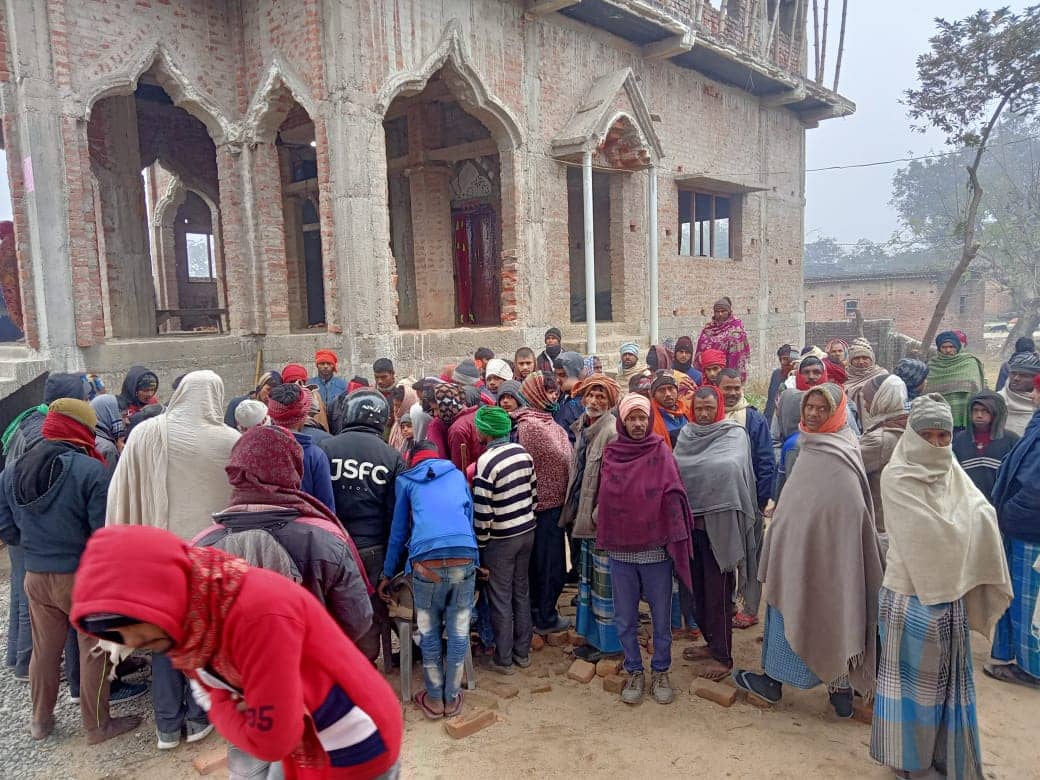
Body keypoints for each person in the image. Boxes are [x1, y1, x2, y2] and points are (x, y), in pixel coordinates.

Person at [73, 525, 402, 778]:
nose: (126, 643)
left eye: (128, 628)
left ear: (160, 597)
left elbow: (273, 739)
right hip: (311, 727)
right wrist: (242, 707)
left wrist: (228, 709)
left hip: (352, 739)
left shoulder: (256, 615)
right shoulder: (197, 615)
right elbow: (221, 697)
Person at [872, 394, 1012, 780]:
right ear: (912, 436)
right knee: (913, 693)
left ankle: (945, 759)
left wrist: (967, 525)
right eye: (927, 435)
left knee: (948, 689)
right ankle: (911, 766)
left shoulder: (951, 469)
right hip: (909, 598)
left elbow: (979, 510)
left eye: (943, 436)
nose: (935, 444)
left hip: (948, 599)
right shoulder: (897, 475)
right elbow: (933, 538)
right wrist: (968, 527)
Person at [732, 384, 884, 719]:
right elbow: (797, 502)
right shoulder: (808, 444)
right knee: (794, 609)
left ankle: (835, 687)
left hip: (832, 561)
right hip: (795, 556)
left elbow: (848, 512)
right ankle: (789, 684)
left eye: (821, 408)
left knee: (834, 612)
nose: (813, 414)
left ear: (837, 412)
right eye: (809, 407)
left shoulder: (840, 453)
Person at [107, 370, 239, 749]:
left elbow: (123, 490)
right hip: (207, 557)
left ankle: (167, 725)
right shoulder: (228, 440)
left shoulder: (147, 432)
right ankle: (198, 719)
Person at [0, 400, 141, 743]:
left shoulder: (12, 470)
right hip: (82, 578)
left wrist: (34, 547)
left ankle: (40, 722)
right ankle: (96, 726)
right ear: (80, 428)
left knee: (45, 651)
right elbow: (101, 535)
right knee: (94, 651)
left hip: (35, 575)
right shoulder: (90, 470)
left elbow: (6, 526)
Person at [596, 393, 693, 705]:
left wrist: (671, 509)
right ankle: (634, 669)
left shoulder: (660, 451)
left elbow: (674, 489)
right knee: (624, 618)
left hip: (655, 551)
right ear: (622, 421)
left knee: (661, 616)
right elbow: (607, 499)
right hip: (621, 552)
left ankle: (661, 669)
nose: (637, 424)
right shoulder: (613, 452)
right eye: (631, 418)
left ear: (650, 420)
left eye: (642, 418)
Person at [379, 441, 480, 719]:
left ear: (412, 460)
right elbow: (467, 520)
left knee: (428, 629)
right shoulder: (458, 475)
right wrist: (478, 563)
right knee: (459, 628)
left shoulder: (406, 482)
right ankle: (453, 696)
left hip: (427, 563)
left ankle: (435, 700)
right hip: (464, 556)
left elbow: (398, 533)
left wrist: (387, 574)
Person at [674, 386, 757, 680]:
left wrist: (701, 472)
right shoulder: (686, 434)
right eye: (699, 409)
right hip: (689, 527)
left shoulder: (733, 434)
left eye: (710, 408)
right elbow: (677, 469)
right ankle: (711, 643)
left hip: (719, 529)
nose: (705, 414)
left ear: (719, 407)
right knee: (694, 591)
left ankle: (724, 657)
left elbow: (730, 468)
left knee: (719, 594)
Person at [319, 390, 404, 664]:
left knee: (338, 609)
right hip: (374, 549)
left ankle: (346, 666)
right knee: (373, 611)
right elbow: (396, 515)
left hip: (333, 546)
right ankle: (371, 665)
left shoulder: (326, 449)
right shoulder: (392, 457)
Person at [560, 374, 622, 661]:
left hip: (601, 524)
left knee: (603, 585)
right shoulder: (584, 428)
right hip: (583, 520)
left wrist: (597, 517)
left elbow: (613, 485)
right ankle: (593, 638)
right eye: (591, 396)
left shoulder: (611, 431)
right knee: (589, 581)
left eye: (601, 397)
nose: (594, 401)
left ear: (610, 403)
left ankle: (608, 645)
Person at [471, 407, 537, 675]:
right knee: (521, 592)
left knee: (500, 598)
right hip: (527, 532)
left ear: (486, 432)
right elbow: (534, 493)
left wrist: (481, 544)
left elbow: (483, 512)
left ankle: (504, 657)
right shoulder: (523, 453)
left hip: (501, 539)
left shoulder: (486, 462)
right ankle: (523, 652)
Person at [985, 373, 1040, 689]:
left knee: (1027, 605)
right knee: (1014, 597)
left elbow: (1034, 487)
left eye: (1036, 389)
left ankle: (1031, 667)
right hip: (1021, 524)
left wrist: (1009, 512)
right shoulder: (1036, 423)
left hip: (1029, 529)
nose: (1032, 395)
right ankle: (1010, 657)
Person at [513, 372, 573, 636]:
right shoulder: (530, 426)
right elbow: (559, 457)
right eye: (548, 391)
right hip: (542, 507)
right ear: (536, 393)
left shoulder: (544, 420)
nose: (554, 396)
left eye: (555, 391)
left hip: (553, 504)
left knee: (548, 564)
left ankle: (540, 613)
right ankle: (544, 617)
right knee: (549, 567)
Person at [718, 369, 774, 628]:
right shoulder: (711, 416)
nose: (731, 393)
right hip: (721, 502)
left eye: (736, 388)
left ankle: (750, 609)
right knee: (726, 553)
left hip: (750, 500)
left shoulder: (753, 419)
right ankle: (727, 603)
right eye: (726, 388)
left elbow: (765, 462)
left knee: (751, 556)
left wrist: (762, 501)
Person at [267, 383, 336, 512]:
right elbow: (326, 508)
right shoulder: (314, 455)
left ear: (271, 415)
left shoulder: (257, 450)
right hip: (305, 528)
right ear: (304, 416)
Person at [858, 375, 910, 533]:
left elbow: (849, 465)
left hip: (881, 523)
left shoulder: (879, 439)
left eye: (868, 400)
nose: (865, 406)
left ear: (882, 400)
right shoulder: (908, 425)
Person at [953, 391, 1019, 504]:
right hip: (967, 502)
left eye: (985, 411)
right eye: (975, 410)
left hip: (998, 504)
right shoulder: (960, 440)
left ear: (996, 413)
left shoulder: (1011, 440)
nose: (979, 415)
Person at [928, 331, 986, 431]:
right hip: (938, 419)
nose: (948, 350)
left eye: (951, 347)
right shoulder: (932, 365)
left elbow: (975, 388)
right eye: (944, 347)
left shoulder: (969, 362)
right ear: (939, 349)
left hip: (963, 417)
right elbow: (927, 391)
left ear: (957, 347)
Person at [695, 297, 751, 382]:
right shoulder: (708, 328)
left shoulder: (736, 329)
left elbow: (737, 356)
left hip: (727, 375)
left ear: (729, 312)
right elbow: (700, 351)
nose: (720, 314)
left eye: (723, 311)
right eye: (717, 312)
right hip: (707, 373)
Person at [844, 338, 888, 425]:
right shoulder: (844, 376)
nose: (861, 362)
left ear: (872, 359)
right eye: (856, 358)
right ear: (850, 360)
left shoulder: (881, 375)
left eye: (865, 358)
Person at [999, 351, 1040, 436]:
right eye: (1013, 373)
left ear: (1035, 379)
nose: (1016, 378)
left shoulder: (1038, 405)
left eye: (1023, 375)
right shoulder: (998, 400)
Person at [649, 370, 693, 448]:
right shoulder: (650, 419)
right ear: (654, 395)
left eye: (670, 388)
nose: (668, 394)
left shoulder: (687, 411)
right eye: (661, 390)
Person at [552, 351, 586, 443]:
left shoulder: (586, 399)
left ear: (577, 374)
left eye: (563, 375)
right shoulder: (562, 395)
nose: (558, 380)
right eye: (556, 375)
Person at [764, 345, 794, 423]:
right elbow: (771, 401)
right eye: (784, 359)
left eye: (789, 359)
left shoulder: (798, 376)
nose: (786, 362)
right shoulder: (776, 374)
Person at [387, 383, 419, 453]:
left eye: (399, 406)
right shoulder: (396, 423)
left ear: (407, 404)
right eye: (394, 405)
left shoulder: (417, 426)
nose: (395, 409)